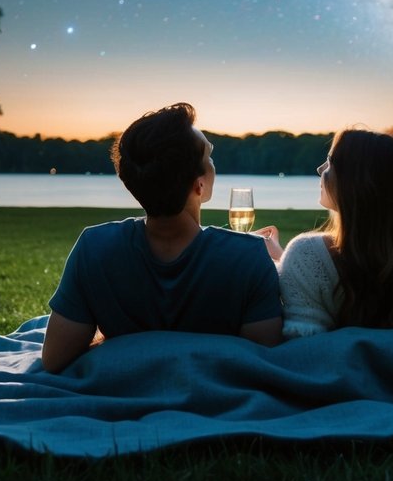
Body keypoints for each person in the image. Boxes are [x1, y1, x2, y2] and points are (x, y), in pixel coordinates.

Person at [41, 103, 283, 372]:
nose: (214, 163)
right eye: (209, 157)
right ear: (199, 185)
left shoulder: (94, 248)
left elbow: (55, 359)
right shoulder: (249, 256)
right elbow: (266, 361)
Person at [258, 129, 393, 338]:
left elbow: (303, 342)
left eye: (330, 163)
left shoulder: (305, 252)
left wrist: (284, 262)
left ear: (355, 183)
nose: (320, 169)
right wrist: (283, 259)